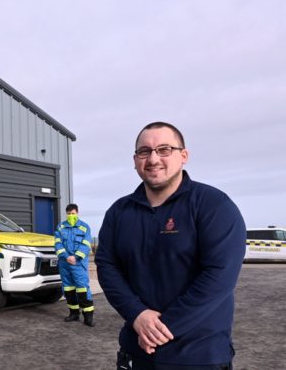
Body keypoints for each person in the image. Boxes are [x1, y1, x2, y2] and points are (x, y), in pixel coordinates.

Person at [95, 122, 246, 369]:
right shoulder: (119, 212)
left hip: (198, 356)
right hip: (136, 351)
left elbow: (219, 276)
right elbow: (107, 266)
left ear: (183, 156)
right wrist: (137, 315)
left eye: (164, 149)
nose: (153, 159)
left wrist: (161, 329)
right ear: (135, 160)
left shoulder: (214, 205)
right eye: (144, 151)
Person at [54, 203, 94, 327]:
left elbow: (86, 245)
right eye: (69, 213)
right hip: (65, 263)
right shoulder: (61, 227)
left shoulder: (84, 227)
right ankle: (74, 313)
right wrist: (67, 257)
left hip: (78, 263)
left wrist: (75, 257)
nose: (71, 215)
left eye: (73, 213)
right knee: (68, 289)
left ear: (77, 213)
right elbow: (57, 243)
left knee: (82, 288)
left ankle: (88, 316)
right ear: (66, 214)